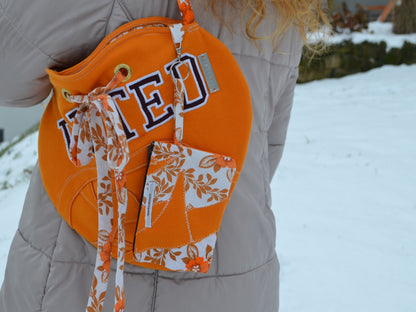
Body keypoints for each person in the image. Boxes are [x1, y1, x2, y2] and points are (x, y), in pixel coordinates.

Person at [0, 0, 327, 311]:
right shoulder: (280, 9)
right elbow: (265, 150)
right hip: (235, 279)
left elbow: (8, 74)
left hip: (78, 277)